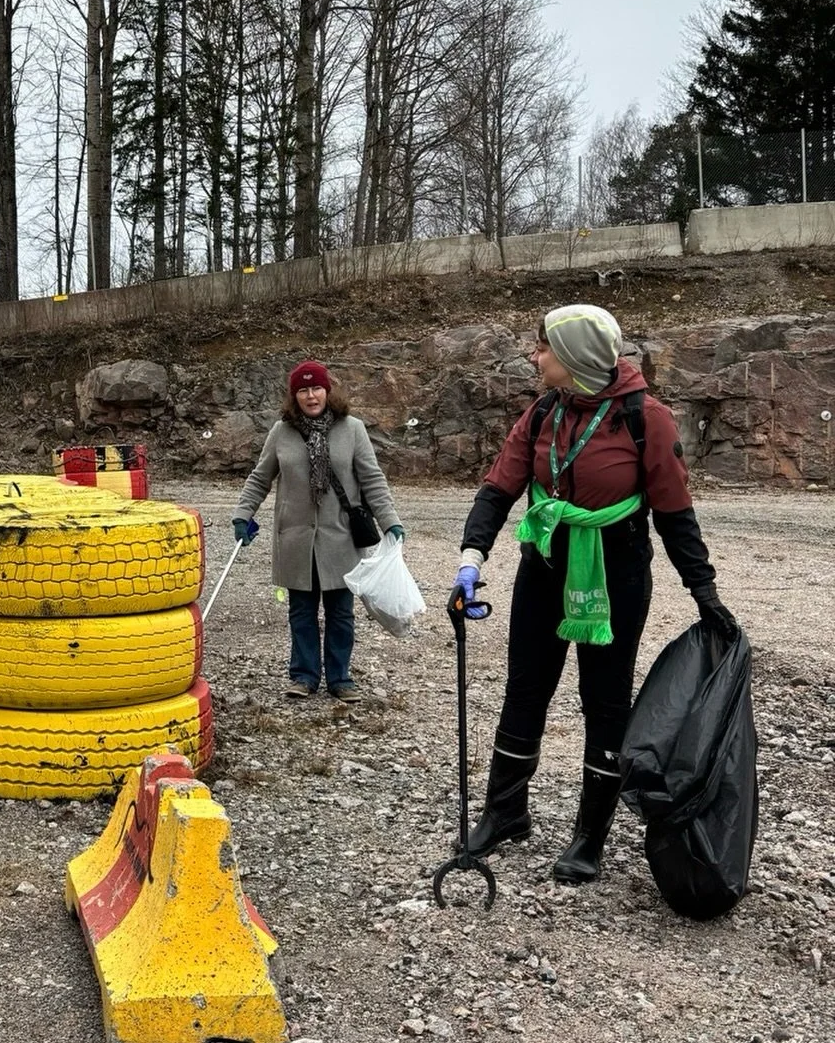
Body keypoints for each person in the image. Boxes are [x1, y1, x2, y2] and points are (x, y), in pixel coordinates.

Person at [452, 303, 737, 884]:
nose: (536, 357)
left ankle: (590, 835)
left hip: (617, 576)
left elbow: (675, 514)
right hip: (543, 569)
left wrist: (704, 591)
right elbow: (499, 488)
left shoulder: (645, 418)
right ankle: (505, 813)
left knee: (605, 702)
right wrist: (470, 559)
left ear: (575, 355)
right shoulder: (542, 412)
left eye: (544, 347)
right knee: (525, 690)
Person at [233, 360, 403, 700]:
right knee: (301, 612)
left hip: (340, 537)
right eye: (303, 390)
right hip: (295, 539)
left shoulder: (352, 429)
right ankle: (304, 676)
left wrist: (390, 521)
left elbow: (372, 479)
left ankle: (340, 678)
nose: (311, 396)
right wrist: (242, 514)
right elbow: (260, 477)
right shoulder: (281, 432)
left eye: (316, 389)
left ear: (328, 391)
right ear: (294, 396)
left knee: (341, 613)